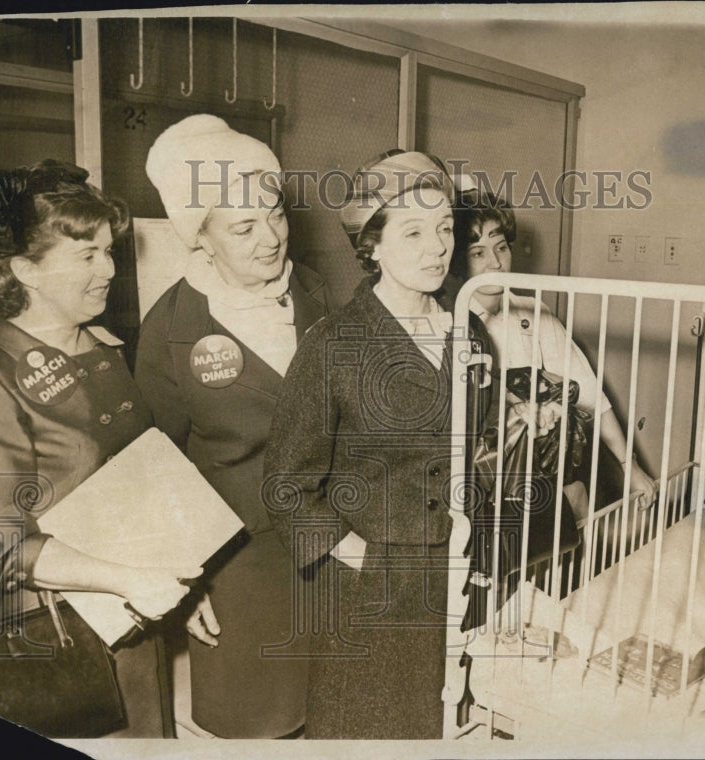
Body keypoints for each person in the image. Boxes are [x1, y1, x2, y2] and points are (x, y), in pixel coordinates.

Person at [0, 160, 198, 737]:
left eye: (108, 250)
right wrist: (128, 579)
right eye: (88, 256)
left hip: (131, 614)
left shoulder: (102, 348)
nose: (111, 269)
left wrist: (178, 585)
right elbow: (4, 550)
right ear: (26, 269)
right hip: (50, 636)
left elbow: (140, 478)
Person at [262, 150, 493, 739]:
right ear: (373, 245)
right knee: (365, 731)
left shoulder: (471, 329)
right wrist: (356, 555)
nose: (437, 247)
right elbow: (287, 484)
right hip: (372, 582)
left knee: (444, 724)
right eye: (413, 231)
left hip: (460, 565)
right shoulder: (334, 342)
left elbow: (476, 441)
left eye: (445, 228)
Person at [134, 115, 326, 739]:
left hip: (332, 547)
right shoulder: (171, 327)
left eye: (275, 214)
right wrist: (186, 580)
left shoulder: (317, 294)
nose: (269, 238)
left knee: (337, 720)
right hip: (240, 566)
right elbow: (154, 463)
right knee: (256, 730)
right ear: (201, 240)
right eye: (243, 227)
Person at [450, 186, 657, 528]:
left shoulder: (535, 312)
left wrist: (627, 465)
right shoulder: (450, 324)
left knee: (575, 520)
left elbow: (590, 394)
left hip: (545, 474)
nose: (496, 262)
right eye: (478, 252)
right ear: (457, 262)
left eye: (501, 247)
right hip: (475, 481)